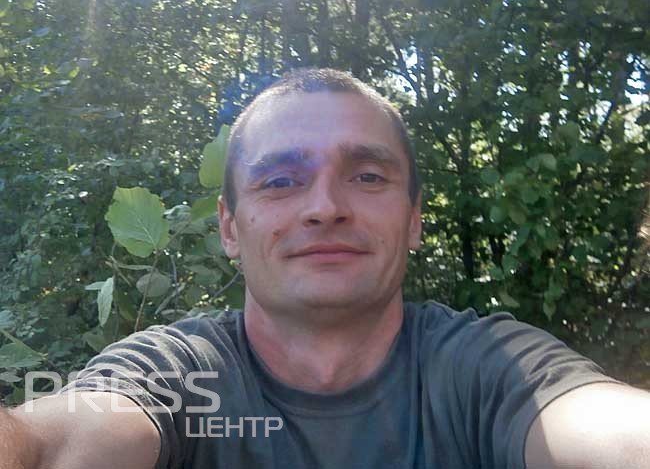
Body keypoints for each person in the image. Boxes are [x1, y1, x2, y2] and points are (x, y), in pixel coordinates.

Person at [2, 68, 650, 469]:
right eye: (281, 181)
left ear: (414, 218)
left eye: (366, 176)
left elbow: (608, 431)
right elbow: (56, 440)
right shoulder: (174, 375)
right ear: (229, 227)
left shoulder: (492, 370)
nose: (324, 208)